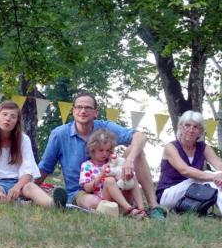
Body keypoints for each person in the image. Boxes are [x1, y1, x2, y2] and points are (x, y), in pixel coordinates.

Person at [36, 92, 167, 219]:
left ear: (95, 113)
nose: (83, 111)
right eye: (79, 107)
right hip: (81, 191)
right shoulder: (59, 134)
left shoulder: (105, 128)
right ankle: (124, 209)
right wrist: (30, 189)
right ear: (73, 111)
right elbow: (45, 167)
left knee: (136, 150)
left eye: (88, 107)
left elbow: (140, 136)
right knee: (92, 202)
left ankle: (153, 206)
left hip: (114, 187)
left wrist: (129, 160)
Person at [156, 111, 222, 222]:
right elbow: (185, 171)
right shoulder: (171, 147)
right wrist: (214, 177)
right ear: (180, 128)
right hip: (168, 195)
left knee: (217, 175)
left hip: (192, 193)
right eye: (187, 125)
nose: (191, 130)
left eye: (196, 127)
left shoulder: (203, 147)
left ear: (200, 132)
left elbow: (220, 164)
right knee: (210, 176)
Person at [80, 129, 147, 219]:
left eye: (108, 150)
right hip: (106, 200)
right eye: (101, 150)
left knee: (130, 174)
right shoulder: (87, 165)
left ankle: (141, 209)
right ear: (92, 149)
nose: (105, 153)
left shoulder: (113, 162)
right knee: (109, 180)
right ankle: (129, 209)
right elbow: (87, 188)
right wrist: (101, 176)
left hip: (123, 193)